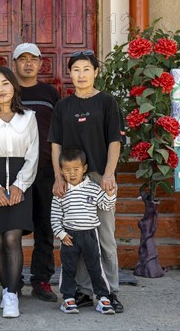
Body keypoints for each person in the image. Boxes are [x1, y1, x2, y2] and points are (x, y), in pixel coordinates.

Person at [48, 51, 125, 313]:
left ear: (95, 72)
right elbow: (56, 144)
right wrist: (59, 177)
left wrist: (109, 174)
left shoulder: (107, 102)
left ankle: (110, 291)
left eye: (86, 69)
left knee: (104, 238)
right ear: (70, 73)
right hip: (71, 179)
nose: (81, 74)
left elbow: (115, 140)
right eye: (76, 70)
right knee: (76, 236)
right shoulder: (63, 106)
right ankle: (82, 291)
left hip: (99, 179)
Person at [0, 67, 39, 318]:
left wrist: (19, 185)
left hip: (20, 177)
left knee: (13, 238)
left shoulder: (28, 117)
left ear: (14, 86)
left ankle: (12, 295)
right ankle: (5, 289)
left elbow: (33, 154)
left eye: (4, 83)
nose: (0, 89)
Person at [12, 43, 60, 302]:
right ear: (15, 63)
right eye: (23, 59)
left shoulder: (50, 92)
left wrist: (60, 170)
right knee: (14, 229)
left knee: (45, 227)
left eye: (34, 59)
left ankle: (41, 281)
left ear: (41, 64)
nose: (28, 63)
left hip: (45, 171)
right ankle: (14, 280)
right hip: (14, 171)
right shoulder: (8, 90)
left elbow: (59, 131)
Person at [51, 149, 116, 315]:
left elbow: (106, 206)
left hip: (90, 235)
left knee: (95, 267)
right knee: (69, 268)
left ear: (84, 168)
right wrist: (61, 234)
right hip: (69, 236)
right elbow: (55, 217)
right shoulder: (60, 192)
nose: (72, 173)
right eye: (67, 170)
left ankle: (103, 298)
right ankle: (68, 299)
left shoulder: (93, 189)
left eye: (76, 169)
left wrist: (109, 194)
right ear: (61, 170)